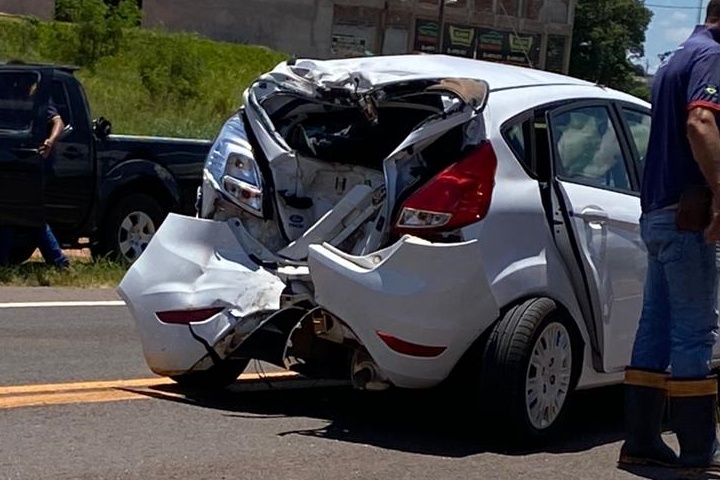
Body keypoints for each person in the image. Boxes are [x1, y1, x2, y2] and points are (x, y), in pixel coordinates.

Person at [618, 1, 720, 472]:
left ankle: (640, 440)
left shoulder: (677, 56)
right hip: (688, 215)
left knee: (654, 331)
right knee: (694, 332)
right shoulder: (711, 56)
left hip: (659, 214)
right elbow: (701, 121)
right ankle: (700, 450)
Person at [0, 60, 70, 270]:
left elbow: (58, 121)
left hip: (29, 163)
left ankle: (59, 261)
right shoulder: (9, 99)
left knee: (21, 214)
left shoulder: (36, 100)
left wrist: (49, 141)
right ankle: (57, 261)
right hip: (13, 163)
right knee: (12, 214)